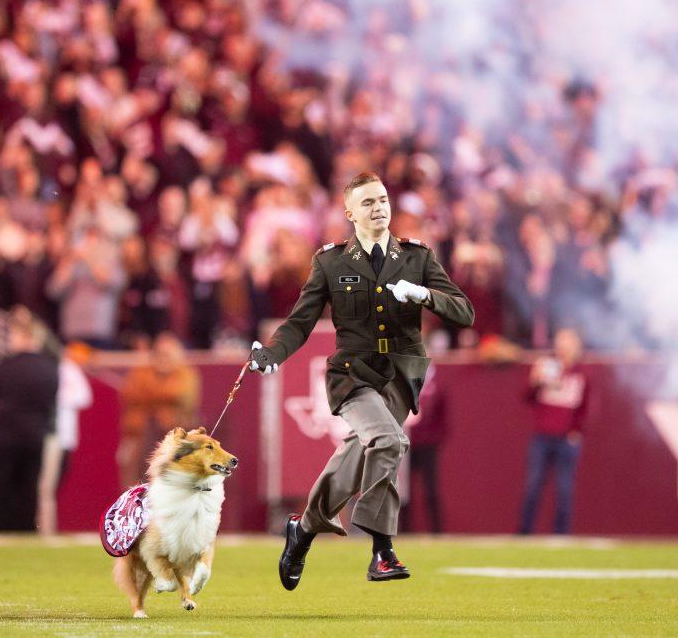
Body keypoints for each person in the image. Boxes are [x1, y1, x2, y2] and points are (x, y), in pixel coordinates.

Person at [251, 172, 474, 588]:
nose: (379, 208)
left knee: (354, 459)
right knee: (389, 442)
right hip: (352, 377)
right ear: (350, 213)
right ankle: (381, 548)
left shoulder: (418, 257)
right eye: (368, 202)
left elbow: (465, 312)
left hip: (399, 379)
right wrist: (272, 355)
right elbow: (300, 323)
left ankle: (302, 531)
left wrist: (425, 295)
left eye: (383, 199)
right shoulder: (331, 260)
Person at [0, 308, 58, 532]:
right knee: (28, 488)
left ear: (25, 337)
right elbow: (51, 398)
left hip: (4, 436)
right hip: (35, 436)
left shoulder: (6, 366)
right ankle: (24, 530)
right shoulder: (48, 369)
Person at [518, 327, 589, 535]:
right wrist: (535, 382)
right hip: (542, 436)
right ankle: (525, 532)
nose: (563, 347)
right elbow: (527, 397)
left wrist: (576, 431)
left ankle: (561, 533)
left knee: (564, 489)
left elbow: (585, 407)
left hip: (566, 439)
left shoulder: (581, 374)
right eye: (560, 342)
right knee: (533, 486)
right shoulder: (547, 367)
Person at [116, 332, 199, 488]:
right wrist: (162, 399)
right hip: (137, 437)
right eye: (159, 354)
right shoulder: (140, 373)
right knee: (127, 464)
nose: (163, 359)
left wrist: (148, 397)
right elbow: (129, 393)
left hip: (174, 443)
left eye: (168, 355)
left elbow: (179, 394)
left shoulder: (187, 374)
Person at [37, 342, 94, 535]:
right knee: (43, 484)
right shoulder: (48, 369)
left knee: (52, 483)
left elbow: (84, 396)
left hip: (61, 435)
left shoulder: (67, 369)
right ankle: (39, 527)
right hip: (42, 434)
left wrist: (55, 398)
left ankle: (43, 527)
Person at [401, 364, 448, 534]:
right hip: (407, 442)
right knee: (404, 490)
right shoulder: (404, 381)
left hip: (427, 444)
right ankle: (405, 530)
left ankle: (436, 531)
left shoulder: (437, 385)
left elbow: (443, 416)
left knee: (430, 488)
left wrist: (434, 438)